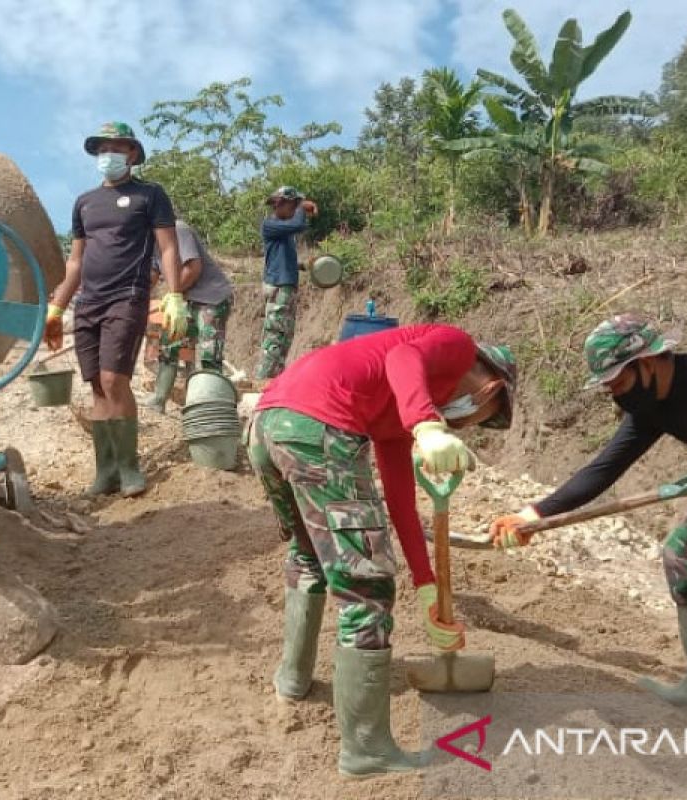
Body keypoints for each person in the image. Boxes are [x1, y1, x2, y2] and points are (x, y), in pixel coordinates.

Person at [246, 324, 517, 776]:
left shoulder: (393, 409)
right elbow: (403, 359)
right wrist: (428, 425)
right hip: (319, 426)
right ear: (491, 389)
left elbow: (401, 502)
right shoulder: (457, 346)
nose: (465, 425)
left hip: (268, 424)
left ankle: (292, 680)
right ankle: (366, 751)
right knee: (365, 588)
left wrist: (427, 586)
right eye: (477, 419)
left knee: (309, 554)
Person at [490, 314, 687, 718]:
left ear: (647, 363)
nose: (614, 393)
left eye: (618, 381)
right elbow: (603, 468)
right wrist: (532, 514)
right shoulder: (653, 408)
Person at [44, 122, 188, 498]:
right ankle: (104, 470)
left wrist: (174, 296)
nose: (108, 155)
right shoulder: (85, 202)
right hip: (88, 302)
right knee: (95, 387)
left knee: (113, 380)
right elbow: (75, 262)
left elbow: (169, 248)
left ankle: (128, 467)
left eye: (117, 148)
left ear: (132, 155)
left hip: (128, 296)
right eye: (103, 148)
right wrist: (57, 309)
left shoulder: (149, 195)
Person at [144, 214, 235, 412]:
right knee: (170, 346)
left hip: (211, 298)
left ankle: (208, 406)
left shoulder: (178, 230)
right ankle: (159, 399)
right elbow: (152, 274)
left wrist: (172, 293)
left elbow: (193, 268)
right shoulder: (151, 242)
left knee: (208, 355)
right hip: (186, 299)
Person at [255, 186, 317, 383]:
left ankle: (275, 382)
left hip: (285, 286)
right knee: (275, 337)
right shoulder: (270, 225)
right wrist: (302, 207)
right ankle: (263, 381)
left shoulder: (283, 232)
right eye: (293, 205)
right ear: (279, 204)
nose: (294, 210)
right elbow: (298, 225)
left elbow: (279, 259)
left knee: (284, 337)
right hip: (279, 287)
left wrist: (303, 266)